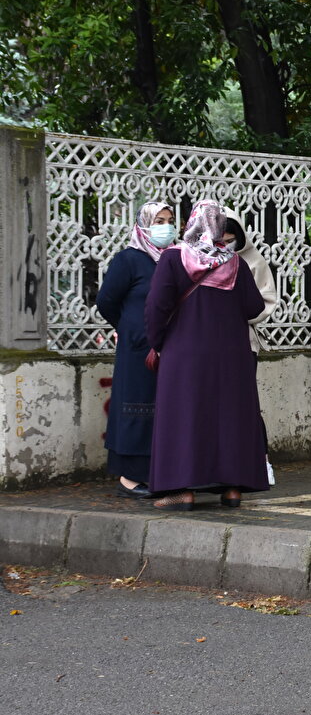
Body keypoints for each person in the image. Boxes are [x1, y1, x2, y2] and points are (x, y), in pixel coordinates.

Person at [144, 200, 268, 510]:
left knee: (183, 418)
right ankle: (232, 490)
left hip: (184, 354)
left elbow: (156, 307)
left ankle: (182, 492)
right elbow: (254, 307)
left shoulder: (173, 258)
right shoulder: (234, 262)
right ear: (220, 228)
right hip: (232, 356)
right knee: (229, 419)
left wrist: (159, 343)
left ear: (191, 225)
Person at [96, 201, 177, 499]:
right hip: (136, 348)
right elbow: (106, 301)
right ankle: (129, 477)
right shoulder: (129, 259)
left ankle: (160, 472)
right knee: (136, 407)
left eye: (169, 220)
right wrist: (129, 327)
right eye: (158, 220)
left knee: (164, 409)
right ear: (143, 223)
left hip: (171, 346)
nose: (165, 226)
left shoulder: (173, 258)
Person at [222, 208, 280, 485]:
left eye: (230, 235)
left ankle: (261, 461)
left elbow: (266, 300)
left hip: (243, 342)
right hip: (207, 344)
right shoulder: (195, 258)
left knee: (246, 405)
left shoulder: (252, 260)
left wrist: (233, 315)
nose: (225, 241)